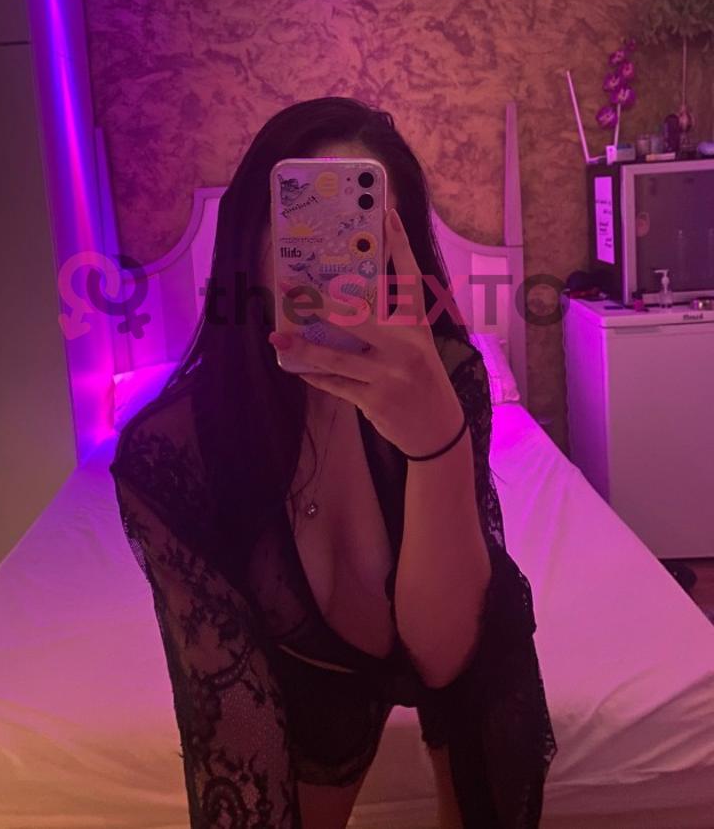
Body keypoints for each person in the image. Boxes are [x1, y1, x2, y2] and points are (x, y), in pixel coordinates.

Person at [109, 97, 557, 829]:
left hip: (470, 628)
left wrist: (437, 441)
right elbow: (231, 741)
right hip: (301, 674)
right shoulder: (172, 455)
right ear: (251, 244)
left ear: (399, 255)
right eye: (301, 225)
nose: (328, 258)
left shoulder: (450, 381)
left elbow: (447, 656)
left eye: (357, 231)